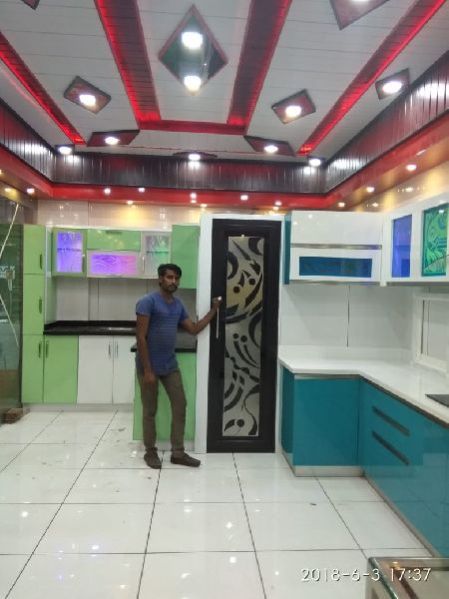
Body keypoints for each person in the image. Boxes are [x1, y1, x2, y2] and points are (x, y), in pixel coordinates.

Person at [135, 263, 221, 468]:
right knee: (150, 410)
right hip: (148, 366)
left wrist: (214, 310)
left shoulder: (178, 305)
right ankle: (150, 452)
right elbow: (140, 337)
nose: (173, 281)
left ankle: (178, 453)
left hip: (169, 365)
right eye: (169, 277)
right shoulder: (147, 302)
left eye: (176, 278)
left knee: (180, 405)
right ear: (160, 279)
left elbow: (193, 329)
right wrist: (148, 370)